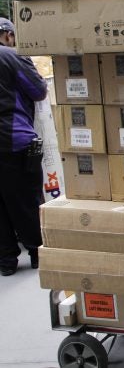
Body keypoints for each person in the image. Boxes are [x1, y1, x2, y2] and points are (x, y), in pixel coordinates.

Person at [0, 17, 48, 277]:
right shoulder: (11, 56)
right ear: (7, 35)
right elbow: (38, 90)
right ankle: (37, 250)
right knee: (25, 198)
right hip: (13, 139)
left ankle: (7, 260)